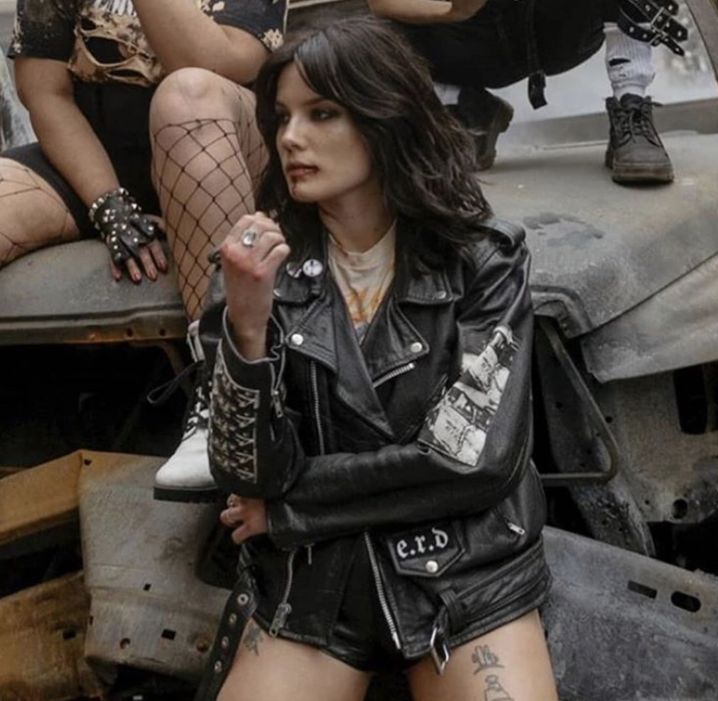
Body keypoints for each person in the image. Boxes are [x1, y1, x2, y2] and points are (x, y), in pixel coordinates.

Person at [194, 17, 557, 701]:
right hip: (315, 584)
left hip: (463, 571)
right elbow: (246, 474)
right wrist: (245, 329)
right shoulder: (257, 268)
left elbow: (471, 461)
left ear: (384, 114)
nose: (291, 137)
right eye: (281, 117)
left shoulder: (480, 258)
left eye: (321, 112)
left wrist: (291, 511)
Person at [2, 0, 286, 501]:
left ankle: (223, 393)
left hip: (219, 144)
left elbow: (217, 62)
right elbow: (42, 91)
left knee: (187, 95)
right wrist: (109, 205)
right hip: (93, 158)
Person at [367, 0, 686, 184]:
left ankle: (629, 104)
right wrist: (452, 10)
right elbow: (380, 3)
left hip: (561, 29)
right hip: (474, 36)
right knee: (359, 31)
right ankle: (464, 107)